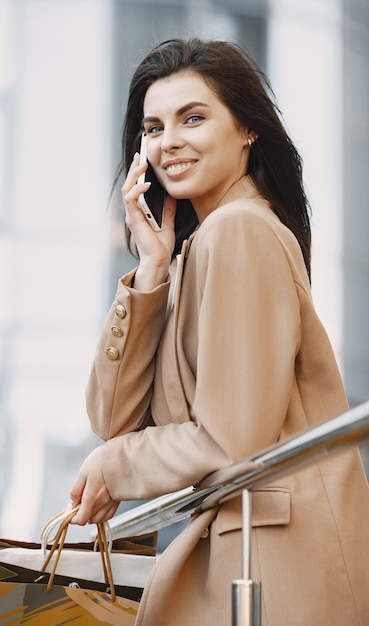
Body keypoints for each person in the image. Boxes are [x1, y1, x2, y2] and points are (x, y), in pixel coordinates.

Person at [69, 38, 369, 625]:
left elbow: (233, 438)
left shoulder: (239, 231)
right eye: (153, 127)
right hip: (252, 555)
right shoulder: (195, 252)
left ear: (249, 130)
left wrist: (116, 464)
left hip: (274, 565)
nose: (169, 141)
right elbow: (113, 420)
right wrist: (151, 272)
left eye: (194, 117)